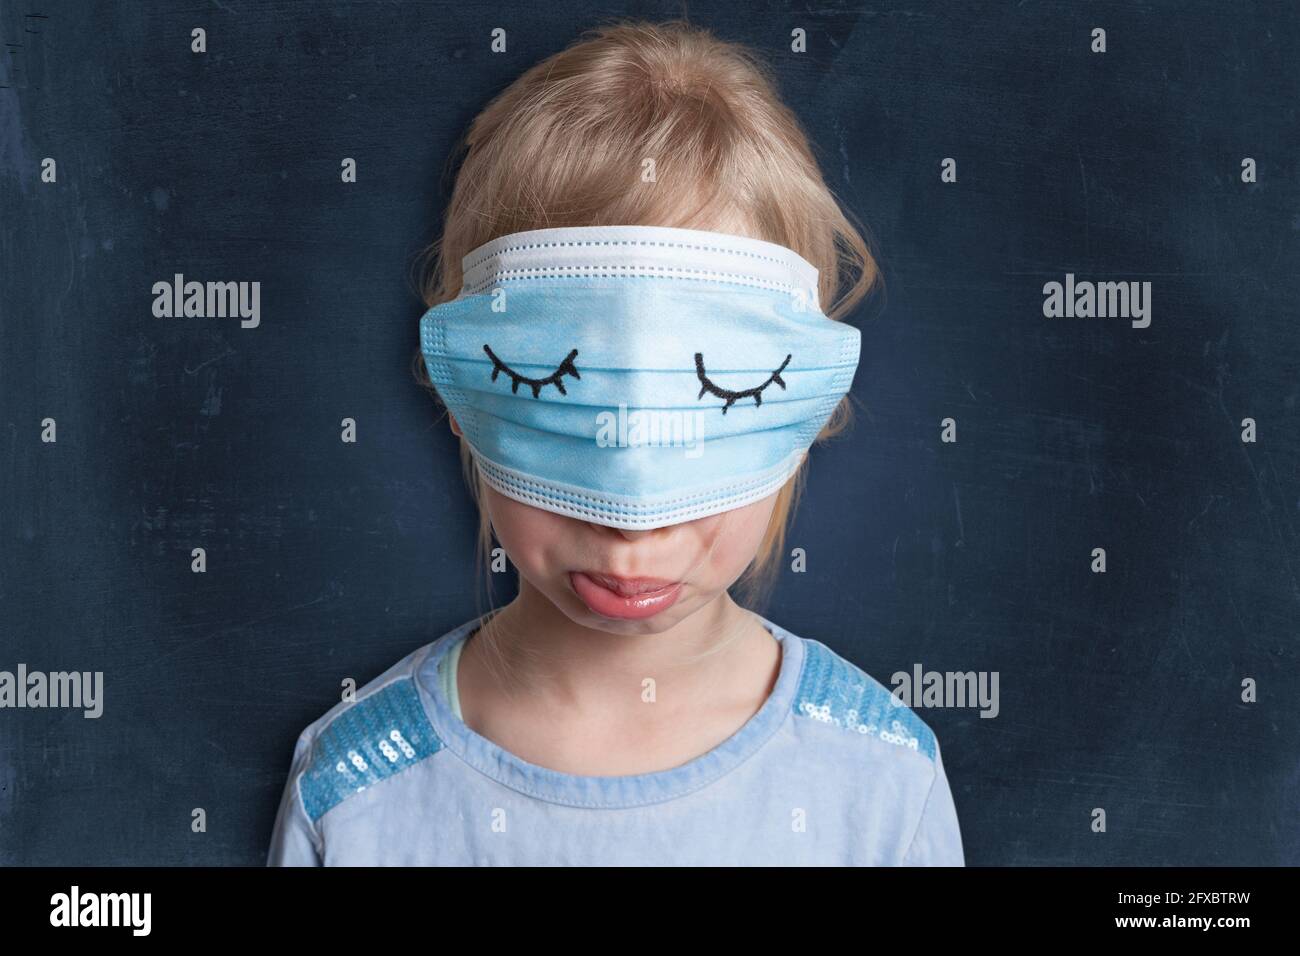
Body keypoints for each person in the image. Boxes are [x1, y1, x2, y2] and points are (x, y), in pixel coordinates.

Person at [268, 18, 963, 866]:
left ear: (810, 407)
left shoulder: (884, 783)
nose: (633, 518)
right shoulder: (352, 792)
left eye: (730, 388)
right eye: (541, 379)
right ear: (457, 387)